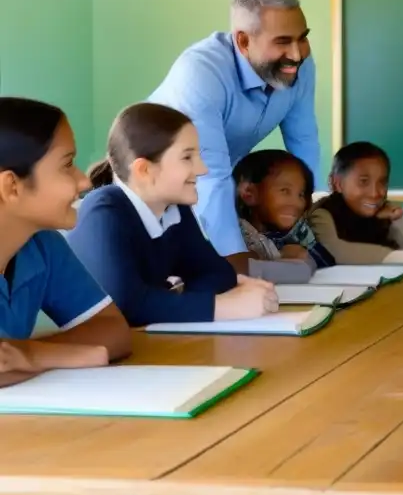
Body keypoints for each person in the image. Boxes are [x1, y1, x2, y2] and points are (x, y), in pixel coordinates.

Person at [0, 97, 134, 495]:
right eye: (67, 165)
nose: (83, 181)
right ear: (11, 186)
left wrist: (35, 356)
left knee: (102, 493)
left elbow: (113, 333)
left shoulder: (41, 242)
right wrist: (74, 354)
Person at [148, 0, 320, 270]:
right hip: (154, 198)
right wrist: (237, 263)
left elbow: (304, 142)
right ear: (243, 41)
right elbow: (209, 177)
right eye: (282, 42)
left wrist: (309, 229)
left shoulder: (298, 66)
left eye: (302, 37)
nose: (297, 53)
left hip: (212, 193)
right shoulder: (201, 73)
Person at [66, 103, 279, 327]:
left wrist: (168, 302)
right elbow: (124, 307)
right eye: (187, 158)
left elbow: (218, 274)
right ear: (144, 170)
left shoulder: (174, 209)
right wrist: (223, 306)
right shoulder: (103, 212)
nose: (202, 169)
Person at [308, 142, 403, 264]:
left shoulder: (381, 213)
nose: (375, 193)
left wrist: (396, 218)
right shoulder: (322, 214)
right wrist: (393, 256)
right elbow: (332, 251)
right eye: (363, 182)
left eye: (382, 182)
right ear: (337, 183)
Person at [233, 149, 335, 269]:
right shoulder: (233, 235)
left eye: (301, 194)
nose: (296, 203)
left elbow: (328, 264)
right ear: (249, 194)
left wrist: (308, 257)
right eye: (285, 191)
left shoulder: (298, 231)